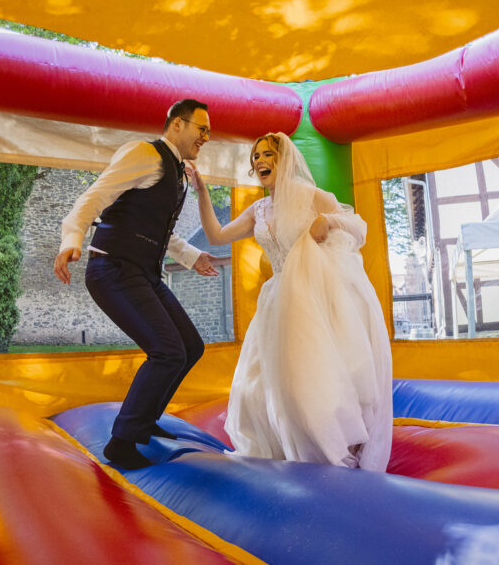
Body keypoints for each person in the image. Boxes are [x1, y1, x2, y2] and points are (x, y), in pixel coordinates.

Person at [188, 132, 392, 471]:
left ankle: (333, 451)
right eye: (256, 157)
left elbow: (358, 227)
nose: (260, 161)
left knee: (313, 379)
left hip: (314, 297)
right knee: (263, 384)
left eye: (268, 154)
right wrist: (202, 193)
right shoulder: (258, 210)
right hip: (278, 299)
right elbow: (216, 235)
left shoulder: (311, 196)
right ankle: (286, 448)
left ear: (285, 160)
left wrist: (328, 220)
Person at [54, 98, 219, 470]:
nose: (206, 137)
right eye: (202, 129)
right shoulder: (144, 154)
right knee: (168, 351)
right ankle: (122, 442)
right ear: (177, 124)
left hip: (143, 272)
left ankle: (144, 420)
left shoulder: (178, 173)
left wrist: (193, 256)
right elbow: (95, 196)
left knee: (190, 347)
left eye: (209, 131)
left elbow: (157, 230)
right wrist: (71, 239)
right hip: (113, 268)